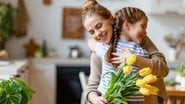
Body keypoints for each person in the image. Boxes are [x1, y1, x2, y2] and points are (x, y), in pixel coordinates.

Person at [81, 0, 169, 104]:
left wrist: (134, 59)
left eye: (99, 26)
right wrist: (95, 99)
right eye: (91, 32)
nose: (97, 34)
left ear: (111, 19)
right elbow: (91, 88)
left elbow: (163, 69)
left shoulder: (138, 39)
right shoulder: (99, 50)